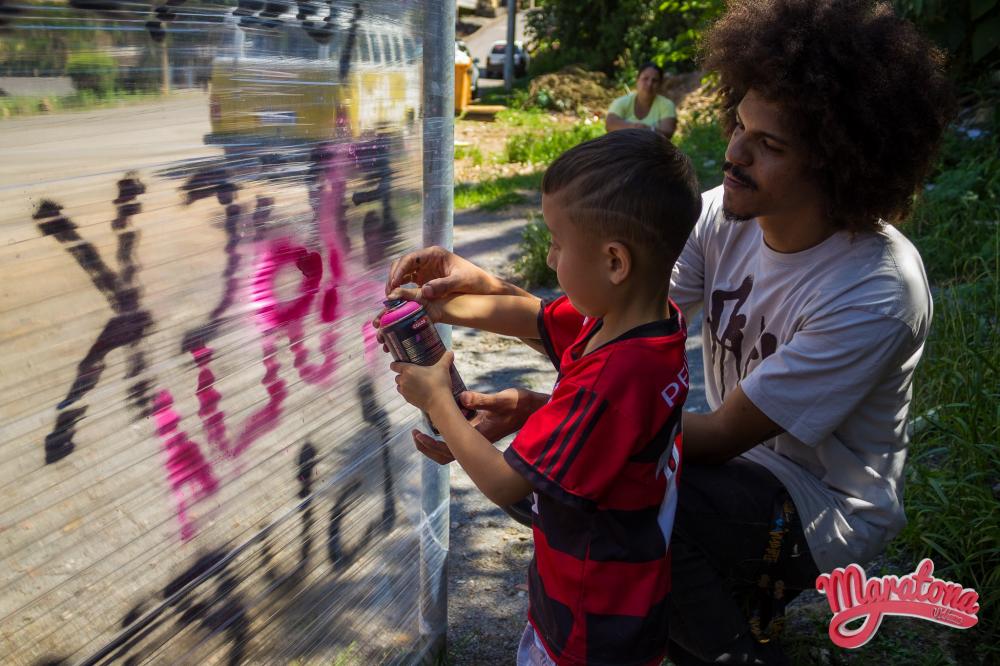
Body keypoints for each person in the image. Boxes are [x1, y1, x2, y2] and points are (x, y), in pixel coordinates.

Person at [380, 1, 955, 662]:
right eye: (739, 124)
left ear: (841, 164)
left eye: (768, 146)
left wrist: (548, 420)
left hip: (818, 502)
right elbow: (607, 312)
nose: (734, 154)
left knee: (591, 495)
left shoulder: (875, 289)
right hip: (726, 465)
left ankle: (729, 648)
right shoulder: (725, 215)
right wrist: (470, 286)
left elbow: (717, 433)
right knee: (569, 481)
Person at [384, 129, 702, 665]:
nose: (550, 257)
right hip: (618, 596)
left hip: (591, 624)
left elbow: (506, 480)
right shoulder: (646, 321)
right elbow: (530, 315)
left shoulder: (614, 378)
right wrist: (438, 308)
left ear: (615, 262)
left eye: (556, 242)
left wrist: (439, 399)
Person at [606, 62, 677, 139]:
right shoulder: (620, 102)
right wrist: (636, 127)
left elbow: (668, 133)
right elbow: (610, 124)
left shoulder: (667, 105)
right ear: (637, 80)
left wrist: (644, 129)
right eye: (645, 79)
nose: (649, 84)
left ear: (660, 84)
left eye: (654, 80)